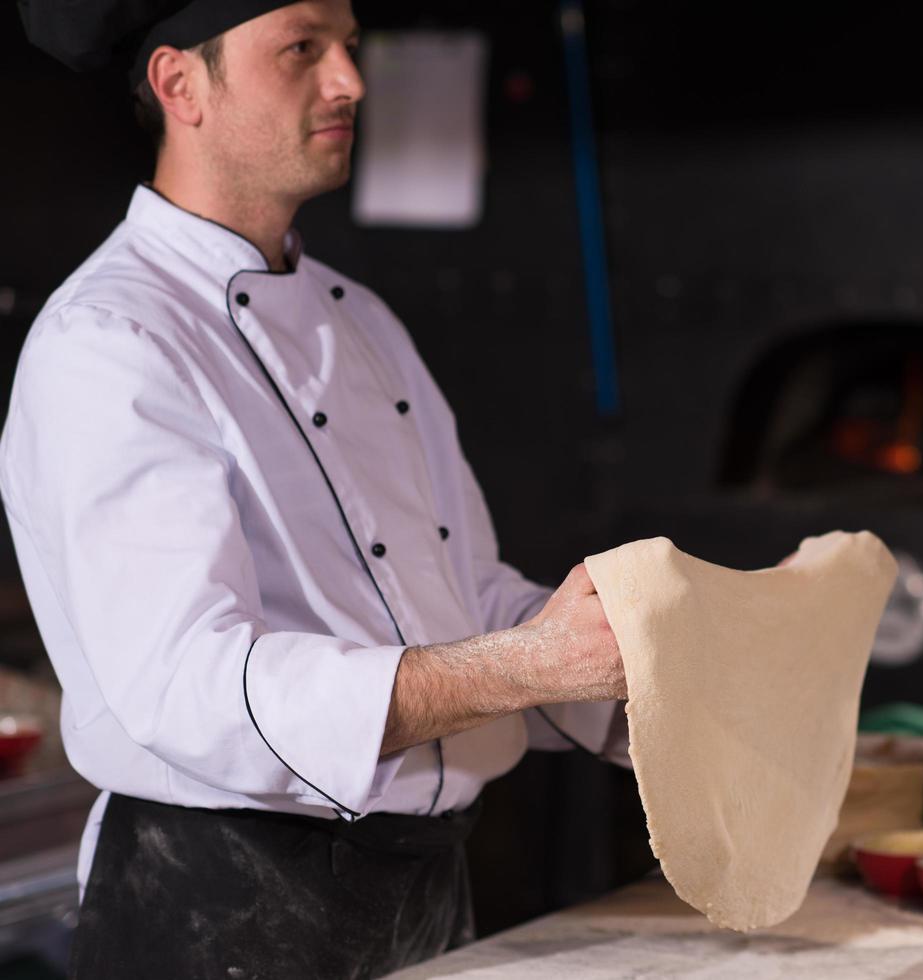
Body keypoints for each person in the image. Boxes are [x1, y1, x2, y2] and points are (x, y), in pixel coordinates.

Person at [6, 1, 628, 976]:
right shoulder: (111, 340)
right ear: (181, 85)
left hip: (424, 899)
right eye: (302, 49)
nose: (350, 81)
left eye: (347, 45)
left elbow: (459, 595)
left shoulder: (363, 320)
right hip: (217, 913)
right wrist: (530, 665)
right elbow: (188, 685)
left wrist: (634, 671)